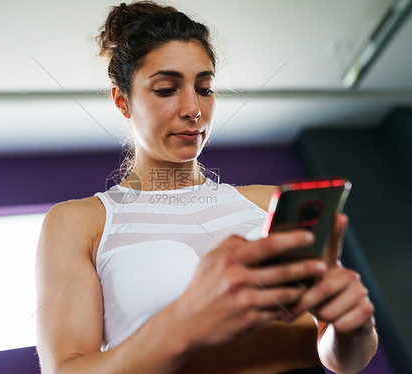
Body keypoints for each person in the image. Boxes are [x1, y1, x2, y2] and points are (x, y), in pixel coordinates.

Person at [35, 2, 378, 373]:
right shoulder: (80, 223)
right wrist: (187, 321)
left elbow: (342, 357)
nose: (192, 108)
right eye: (166, 89)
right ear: (122, 101)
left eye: (204, 88)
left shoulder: (268, 202)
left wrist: (351, 328)